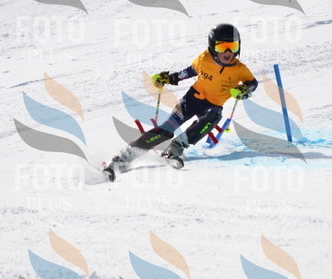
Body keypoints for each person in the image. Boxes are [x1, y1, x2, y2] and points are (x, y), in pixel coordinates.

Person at [103, 23, 258, 181]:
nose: (228, 52)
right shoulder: (204, 59)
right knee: (167, 129)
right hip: (191, 100)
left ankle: (176, 147)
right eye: (222, 47)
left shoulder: (240, 69)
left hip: (213, 106)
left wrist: (245, 89)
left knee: (214, 116)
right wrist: (169, 78)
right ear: (212, 47)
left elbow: (252, 83)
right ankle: (124, 157)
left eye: (232, 46)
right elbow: (189, 72)